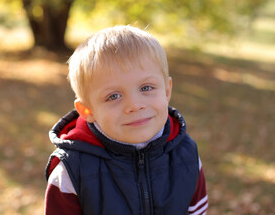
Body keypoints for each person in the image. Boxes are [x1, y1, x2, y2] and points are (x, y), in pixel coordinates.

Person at [44, 25, 208, 215]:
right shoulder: (71, 171)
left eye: (146, 88)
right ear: (87, 110)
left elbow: (196, 210)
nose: (135, 105)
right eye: (113, 96)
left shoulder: (185, 154)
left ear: (167, 90)